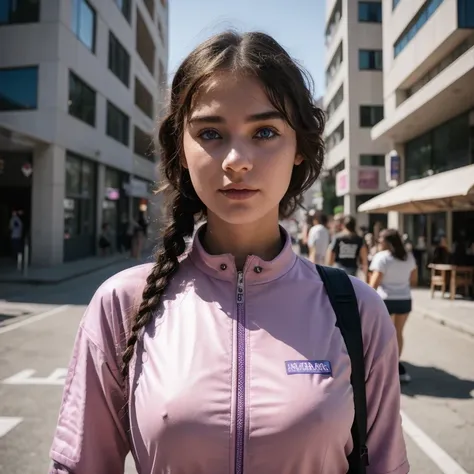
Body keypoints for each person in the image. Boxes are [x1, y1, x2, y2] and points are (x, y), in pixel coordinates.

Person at [49, 31, 408, 474]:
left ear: (299, 148)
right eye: (211, 132)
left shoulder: (358, 311)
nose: (236, 159)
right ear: (180, 148)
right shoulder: (122, 304)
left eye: (265, 131)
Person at [369, 229, 418, 384]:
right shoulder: (408, 257)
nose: (378, 242)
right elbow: (414, 279)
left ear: (387, 242)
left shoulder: (382, 258)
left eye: (380, 240)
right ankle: (396, 362)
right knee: (398, 333)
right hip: (404, 298)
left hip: (386, 299)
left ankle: (386, 366)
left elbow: (374, 283)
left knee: (385, 335)